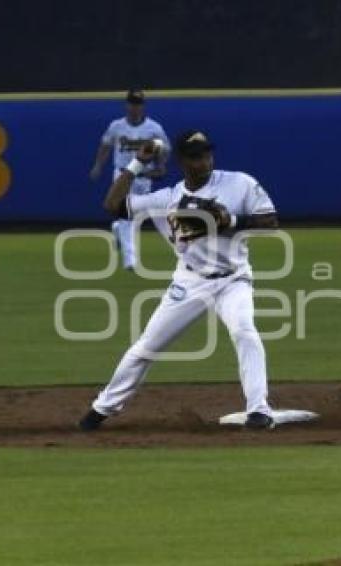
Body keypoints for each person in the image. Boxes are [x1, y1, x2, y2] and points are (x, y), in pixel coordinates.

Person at [79, 130, 279, 431]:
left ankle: (259, 410)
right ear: (183, 161)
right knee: (146, 346)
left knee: (244, 331)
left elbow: (270, 223)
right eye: (196, 156)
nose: (205, 161)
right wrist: (136, 163)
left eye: (207, 154)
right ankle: (101, 408)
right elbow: (112, 205)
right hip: (189, 282)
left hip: (233, 280)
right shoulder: (167, 199)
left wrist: (232, 221)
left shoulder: (238, 183)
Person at [89, 89, 170, 270]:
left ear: (143, 106)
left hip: (144, 175)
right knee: (127, 215)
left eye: (138, 104)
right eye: (132, 103)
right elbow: (105, 145)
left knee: (138, 215)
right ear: (127, 105)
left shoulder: (153, 128)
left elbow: (165, 149)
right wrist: (98, 165)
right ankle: (130, 261)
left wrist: (161, 163)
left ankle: (117, 229)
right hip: (123, 174)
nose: (135, 107)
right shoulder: (117, 126)